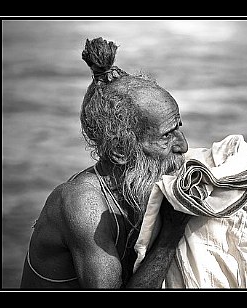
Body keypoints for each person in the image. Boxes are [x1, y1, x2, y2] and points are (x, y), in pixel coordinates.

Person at [20, 37, 191, 289]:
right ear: (121, 150)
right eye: (166, 135)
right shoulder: (84, 203)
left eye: (179, 128)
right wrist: (170, 234)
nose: (183, 146)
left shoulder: (139, 187)